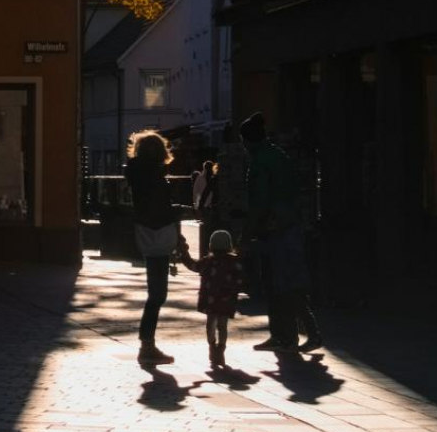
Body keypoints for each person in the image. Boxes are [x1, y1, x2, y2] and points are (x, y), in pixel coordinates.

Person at [239, 112, 323, 353]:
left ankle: (296, 334)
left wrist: (246, 233)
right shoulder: (279, 155)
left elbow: (259, 202)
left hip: (273, 229)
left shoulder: (259, 162)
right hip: (289, 224)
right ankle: (284, 336)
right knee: (287, 283)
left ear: (246, 141)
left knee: (280, 285)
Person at [124, 130, 180, 365]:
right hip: (159, 233)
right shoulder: (155, 177)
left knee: (155, 292)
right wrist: (177, 223)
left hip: (146, 233)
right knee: (158, 294)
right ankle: (147, 344)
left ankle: (147, 343)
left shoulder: (136, 173)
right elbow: (162, 208)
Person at [176, 229, 242, 368]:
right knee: (222, 325)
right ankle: (221, 349)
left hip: (210, 298)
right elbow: (240, 279)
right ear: (229, 245)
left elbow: (193, 266)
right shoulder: (234, 262)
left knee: (210, 324)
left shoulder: (208, 261)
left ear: (211, 245)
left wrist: (183, 255)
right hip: (226, 299)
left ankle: (212, 347)